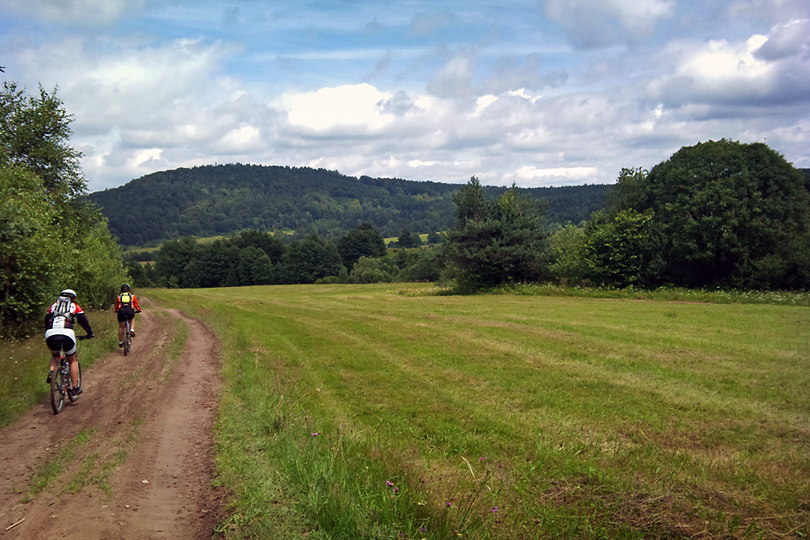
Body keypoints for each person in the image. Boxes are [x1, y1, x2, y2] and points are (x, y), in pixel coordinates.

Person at [45, 289, 94, 395]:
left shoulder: (53, 306)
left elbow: (46, 320)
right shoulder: (75, 306)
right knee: (72, 360)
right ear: (73, 298)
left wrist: (48, 332)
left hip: (50, 333)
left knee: (55, 356)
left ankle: (52, 372)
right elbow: (84, 321)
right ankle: (75, 387)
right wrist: (89, 333)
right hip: (67, 333)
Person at [114, 283, 141, 347]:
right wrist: (138, 309)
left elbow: (117, 306)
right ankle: (131, 330)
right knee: (131, 319)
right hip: (130, 311)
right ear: (129, 289)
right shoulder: (132, 296)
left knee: (121, 327)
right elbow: (136, 305)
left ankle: (120, 342)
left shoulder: (119, 296)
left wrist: (116, 310)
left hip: (121, 312)